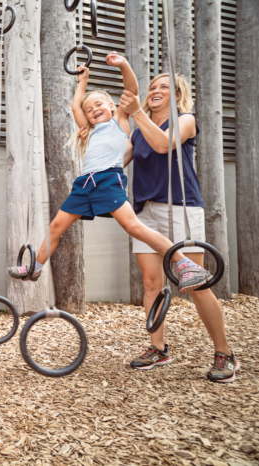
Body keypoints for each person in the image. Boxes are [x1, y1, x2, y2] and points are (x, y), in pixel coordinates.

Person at [7, 52, 211, 296]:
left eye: (99, 105)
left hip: (109, 181)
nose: (93, 110)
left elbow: (132, 91)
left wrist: (123, 64)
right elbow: (75, 106)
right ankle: (35, 268)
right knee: (56, 226)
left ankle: (183, 261)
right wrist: (83, 81)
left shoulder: (119, 121)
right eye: (89, 109)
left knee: (134, 227)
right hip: (84, 184)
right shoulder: (90, 130)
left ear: (113, 106)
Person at [118, 73, 239, 383]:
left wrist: (136, 113)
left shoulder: (185, 120)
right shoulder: (138, 132)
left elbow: (163, 145)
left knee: (195, 285)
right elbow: (118, 162)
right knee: (150, 283)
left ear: (177, 94)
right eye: (152, 87)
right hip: (145, 213)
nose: (156, 90)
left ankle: (225, 353)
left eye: (164, 87)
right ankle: (158, 348)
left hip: (181, 209)